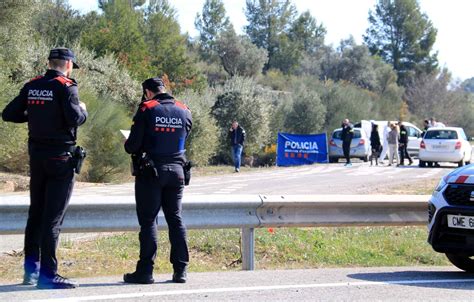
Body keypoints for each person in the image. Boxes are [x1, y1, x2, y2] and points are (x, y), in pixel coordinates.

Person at [2, 48, 87, 289]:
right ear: (68, 64)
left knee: (36, 215)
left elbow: (9, 114)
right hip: (60, 159)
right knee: (52, 220)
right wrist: (83, 110)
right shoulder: (66, 86)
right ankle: (48, 275)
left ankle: (31, 272)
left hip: (37, 158)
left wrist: (35, 113)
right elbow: (74, 118)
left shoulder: (33, 85)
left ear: (49, 63)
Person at [124, 77, 192, 284]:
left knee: (148, 221)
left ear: (148, 92)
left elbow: (132, 146)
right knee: (175, 218)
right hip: (177, 172)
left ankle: (145, 271)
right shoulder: (184, 110)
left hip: (151, 173)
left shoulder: (147, 109)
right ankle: (181, 270)